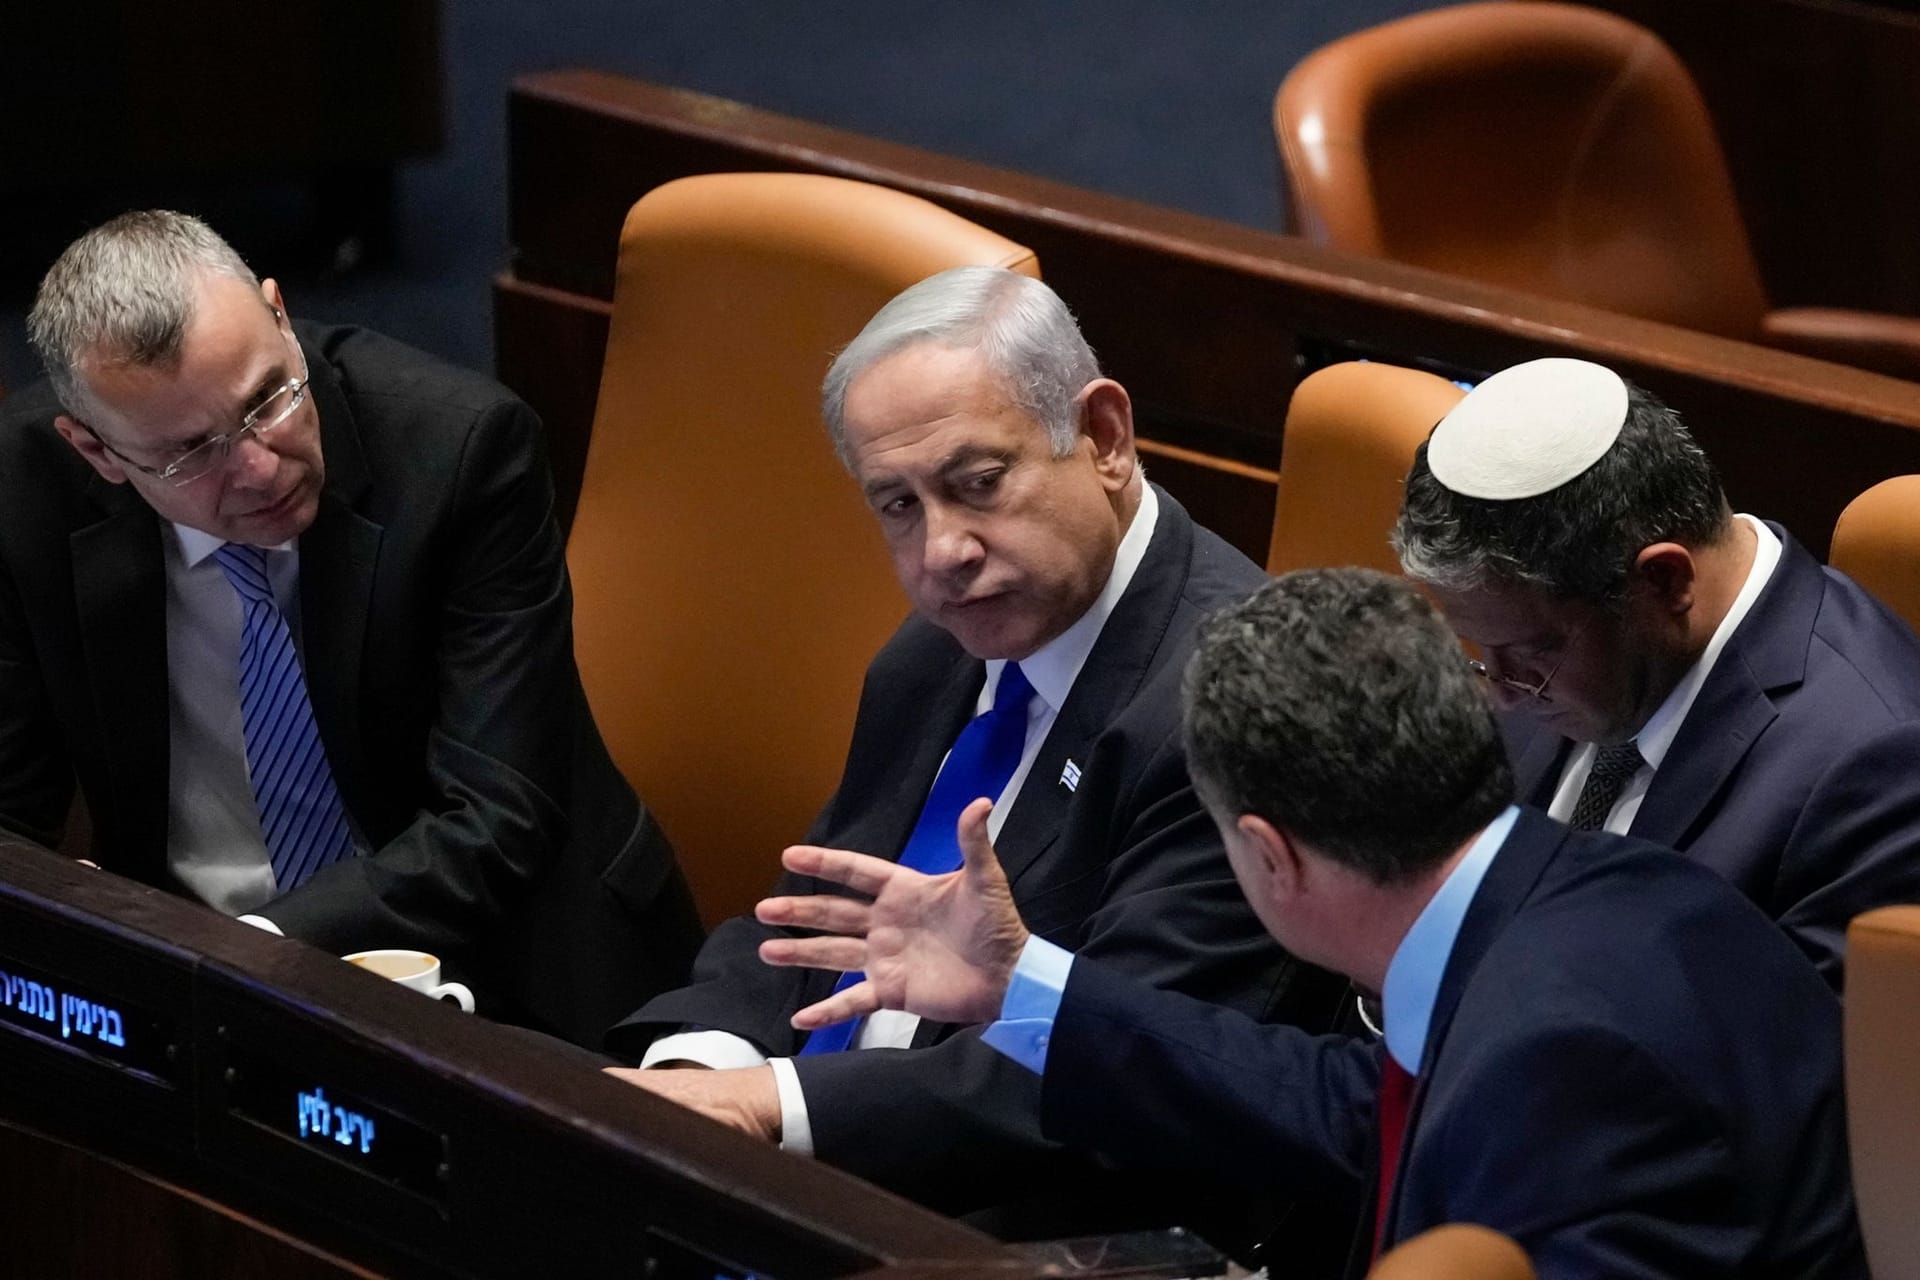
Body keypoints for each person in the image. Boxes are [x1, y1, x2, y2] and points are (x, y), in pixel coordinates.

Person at [759, 567, 1866, 1278]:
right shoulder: (1588, 891)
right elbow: (1352, 1106)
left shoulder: (1564, 1066)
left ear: (1271, 853)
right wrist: (1022, 984)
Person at [605, 266, 1343, 1234]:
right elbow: (821, 919)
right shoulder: (941, 648)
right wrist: (694, 1066)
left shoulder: (1235, 709)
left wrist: (765, 1108)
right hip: (806, 1177)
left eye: (977, 484)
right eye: (899, 505)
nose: (942, 551)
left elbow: (1116, 1068)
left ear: (1106, 438)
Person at [0, 210, 703, 1046]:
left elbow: (496, 815)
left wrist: (242, 955)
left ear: (280, 315)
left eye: (267, 399)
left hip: (506, 961)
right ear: (99, 454)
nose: (260, 467)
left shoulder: (462, 447)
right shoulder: (25, 487)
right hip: (189, 974)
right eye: (193, 454)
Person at [1393, 357, 1920, 988]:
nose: (1503, 695)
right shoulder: (1567, 642)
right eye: (1481, 646)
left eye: (1531, 652)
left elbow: (1795, 1073)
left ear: (1665, 580)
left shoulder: (1879, 769)